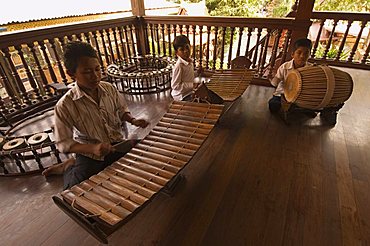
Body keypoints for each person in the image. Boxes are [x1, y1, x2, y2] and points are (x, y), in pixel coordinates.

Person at [43, 41, 149, 190]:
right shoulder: (65, 105)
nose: (95, 76)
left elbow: (120, 110)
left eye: (98, 69)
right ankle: (68, 167)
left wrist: (133, 120)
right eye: (87, 72)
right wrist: (92, 149)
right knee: (73, 192)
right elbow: (63, 143)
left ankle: (77, 162)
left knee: (149, 150)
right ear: (71, 74)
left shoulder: (109, 88)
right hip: (90, 154)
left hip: (117, 145)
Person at [268, 38, 313, 114]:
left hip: (301, 96)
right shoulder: (285, 67)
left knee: (312, 104)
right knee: (273, 104)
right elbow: (276, 81)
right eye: (299, 53)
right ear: (292, 54)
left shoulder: (311, 69)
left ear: (309, 55)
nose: (302, 56)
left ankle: (293, 109)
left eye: (306, 53)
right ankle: (296, 110)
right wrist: (274, 80)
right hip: (283, 95)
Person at [171, 35, 196, 101]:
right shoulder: (179, 66)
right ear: (177, 53)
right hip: (181, 96)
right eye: (182, 49)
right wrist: (192, 85)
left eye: (187, 47)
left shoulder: (190, 61)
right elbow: (175, 86)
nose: (186, 51)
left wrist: (197, 73)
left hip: (189, 92)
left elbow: (188, 76)